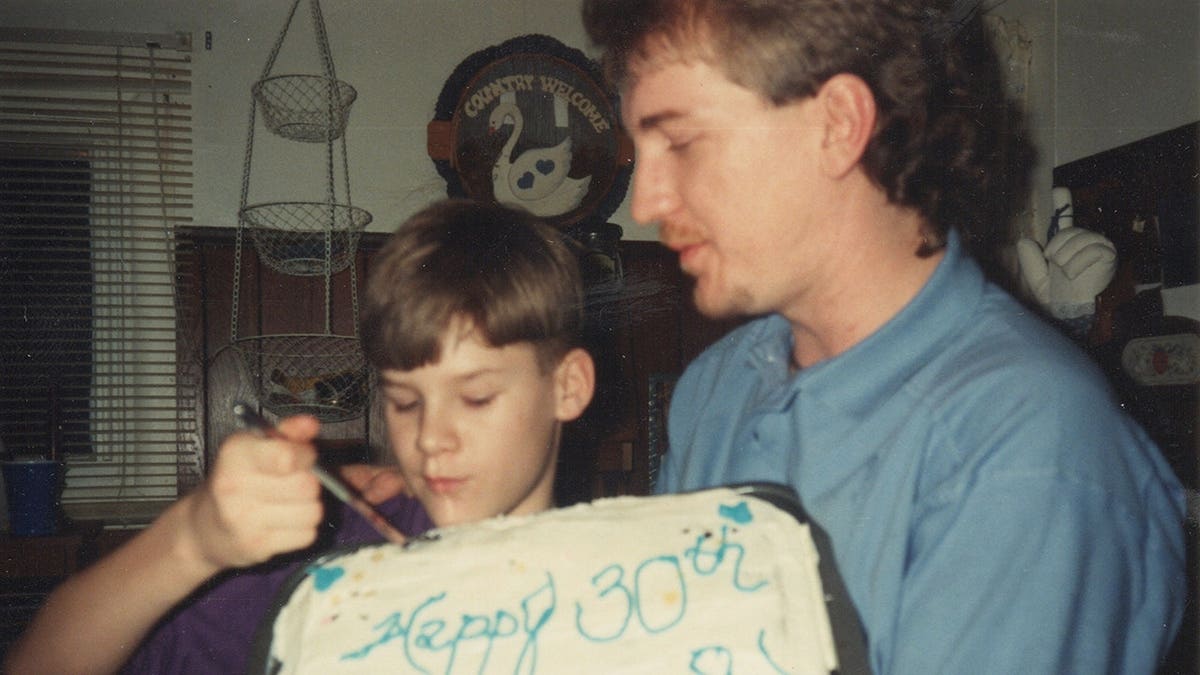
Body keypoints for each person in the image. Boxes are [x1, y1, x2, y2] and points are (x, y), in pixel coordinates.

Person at [582, 1, 1186, 673]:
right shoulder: (719, 388)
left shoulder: (1026, 445)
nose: (646, 201)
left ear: (838, 125)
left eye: (683, 142)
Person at [4, 198, 595, 674]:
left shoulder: (619, 575)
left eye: (476, 397)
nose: (430, 439)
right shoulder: (336, 552)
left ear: (567, 386)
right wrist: (193, 537)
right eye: (404, 400)